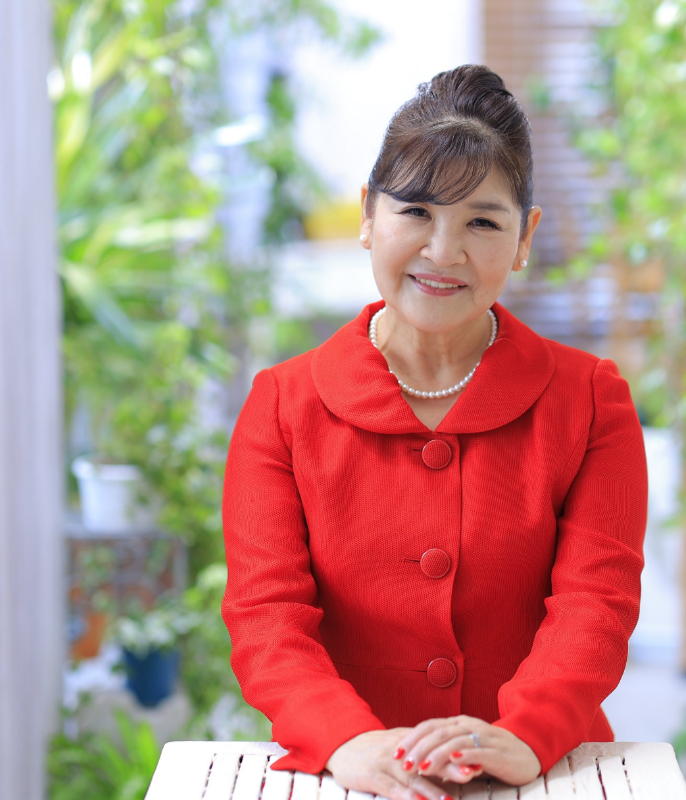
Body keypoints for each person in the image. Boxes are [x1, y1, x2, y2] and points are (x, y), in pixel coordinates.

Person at [221, 64, 647, 800]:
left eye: (482, 222)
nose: (443, 252)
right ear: (368, 214)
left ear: (524, 237)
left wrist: (527, 732)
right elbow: (267, 618)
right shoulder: (282, 406)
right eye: (416, 211)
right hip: (348, 778)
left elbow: (596, 605)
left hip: (538, 776)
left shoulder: (590, 400)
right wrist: (346, 739)